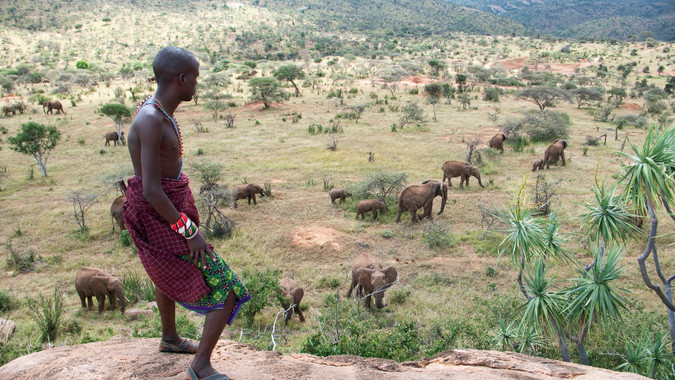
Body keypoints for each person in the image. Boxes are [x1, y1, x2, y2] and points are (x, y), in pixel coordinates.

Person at [123, 46, 250, 380]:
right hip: (160, 213)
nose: (197, 82)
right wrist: (189, 230)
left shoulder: (158, 112)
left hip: (164, 209)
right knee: (228, 286)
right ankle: (201, 366)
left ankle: (169, 337)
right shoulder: (151, 119)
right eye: (195, 76)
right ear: (181, 79)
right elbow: (151, 189)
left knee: (164, 271)